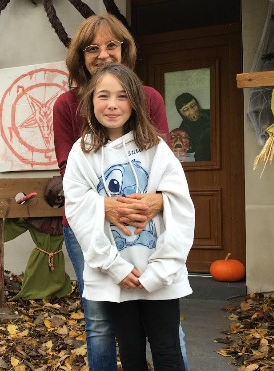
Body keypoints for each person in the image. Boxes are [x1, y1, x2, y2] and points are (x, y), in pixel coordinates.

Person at [52, 14, 189, 370]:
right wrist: (107, 209)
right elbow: (73, 181)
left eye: (111, 44)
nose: (103, 53)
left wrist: (155, 203)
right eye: (92, 47)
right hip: (103, 247)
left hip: (153, 248)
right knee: (108, 330)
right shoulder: (73, 123)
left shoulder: (152, 127)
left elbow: (171, 187)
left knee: (168, 339)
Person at [175, 92, 211, 161]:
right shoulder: (183, 131)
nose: (192, 112)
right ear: (181, 113)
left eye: (193, 105)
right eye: (186, 110)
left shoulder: (211, 114)